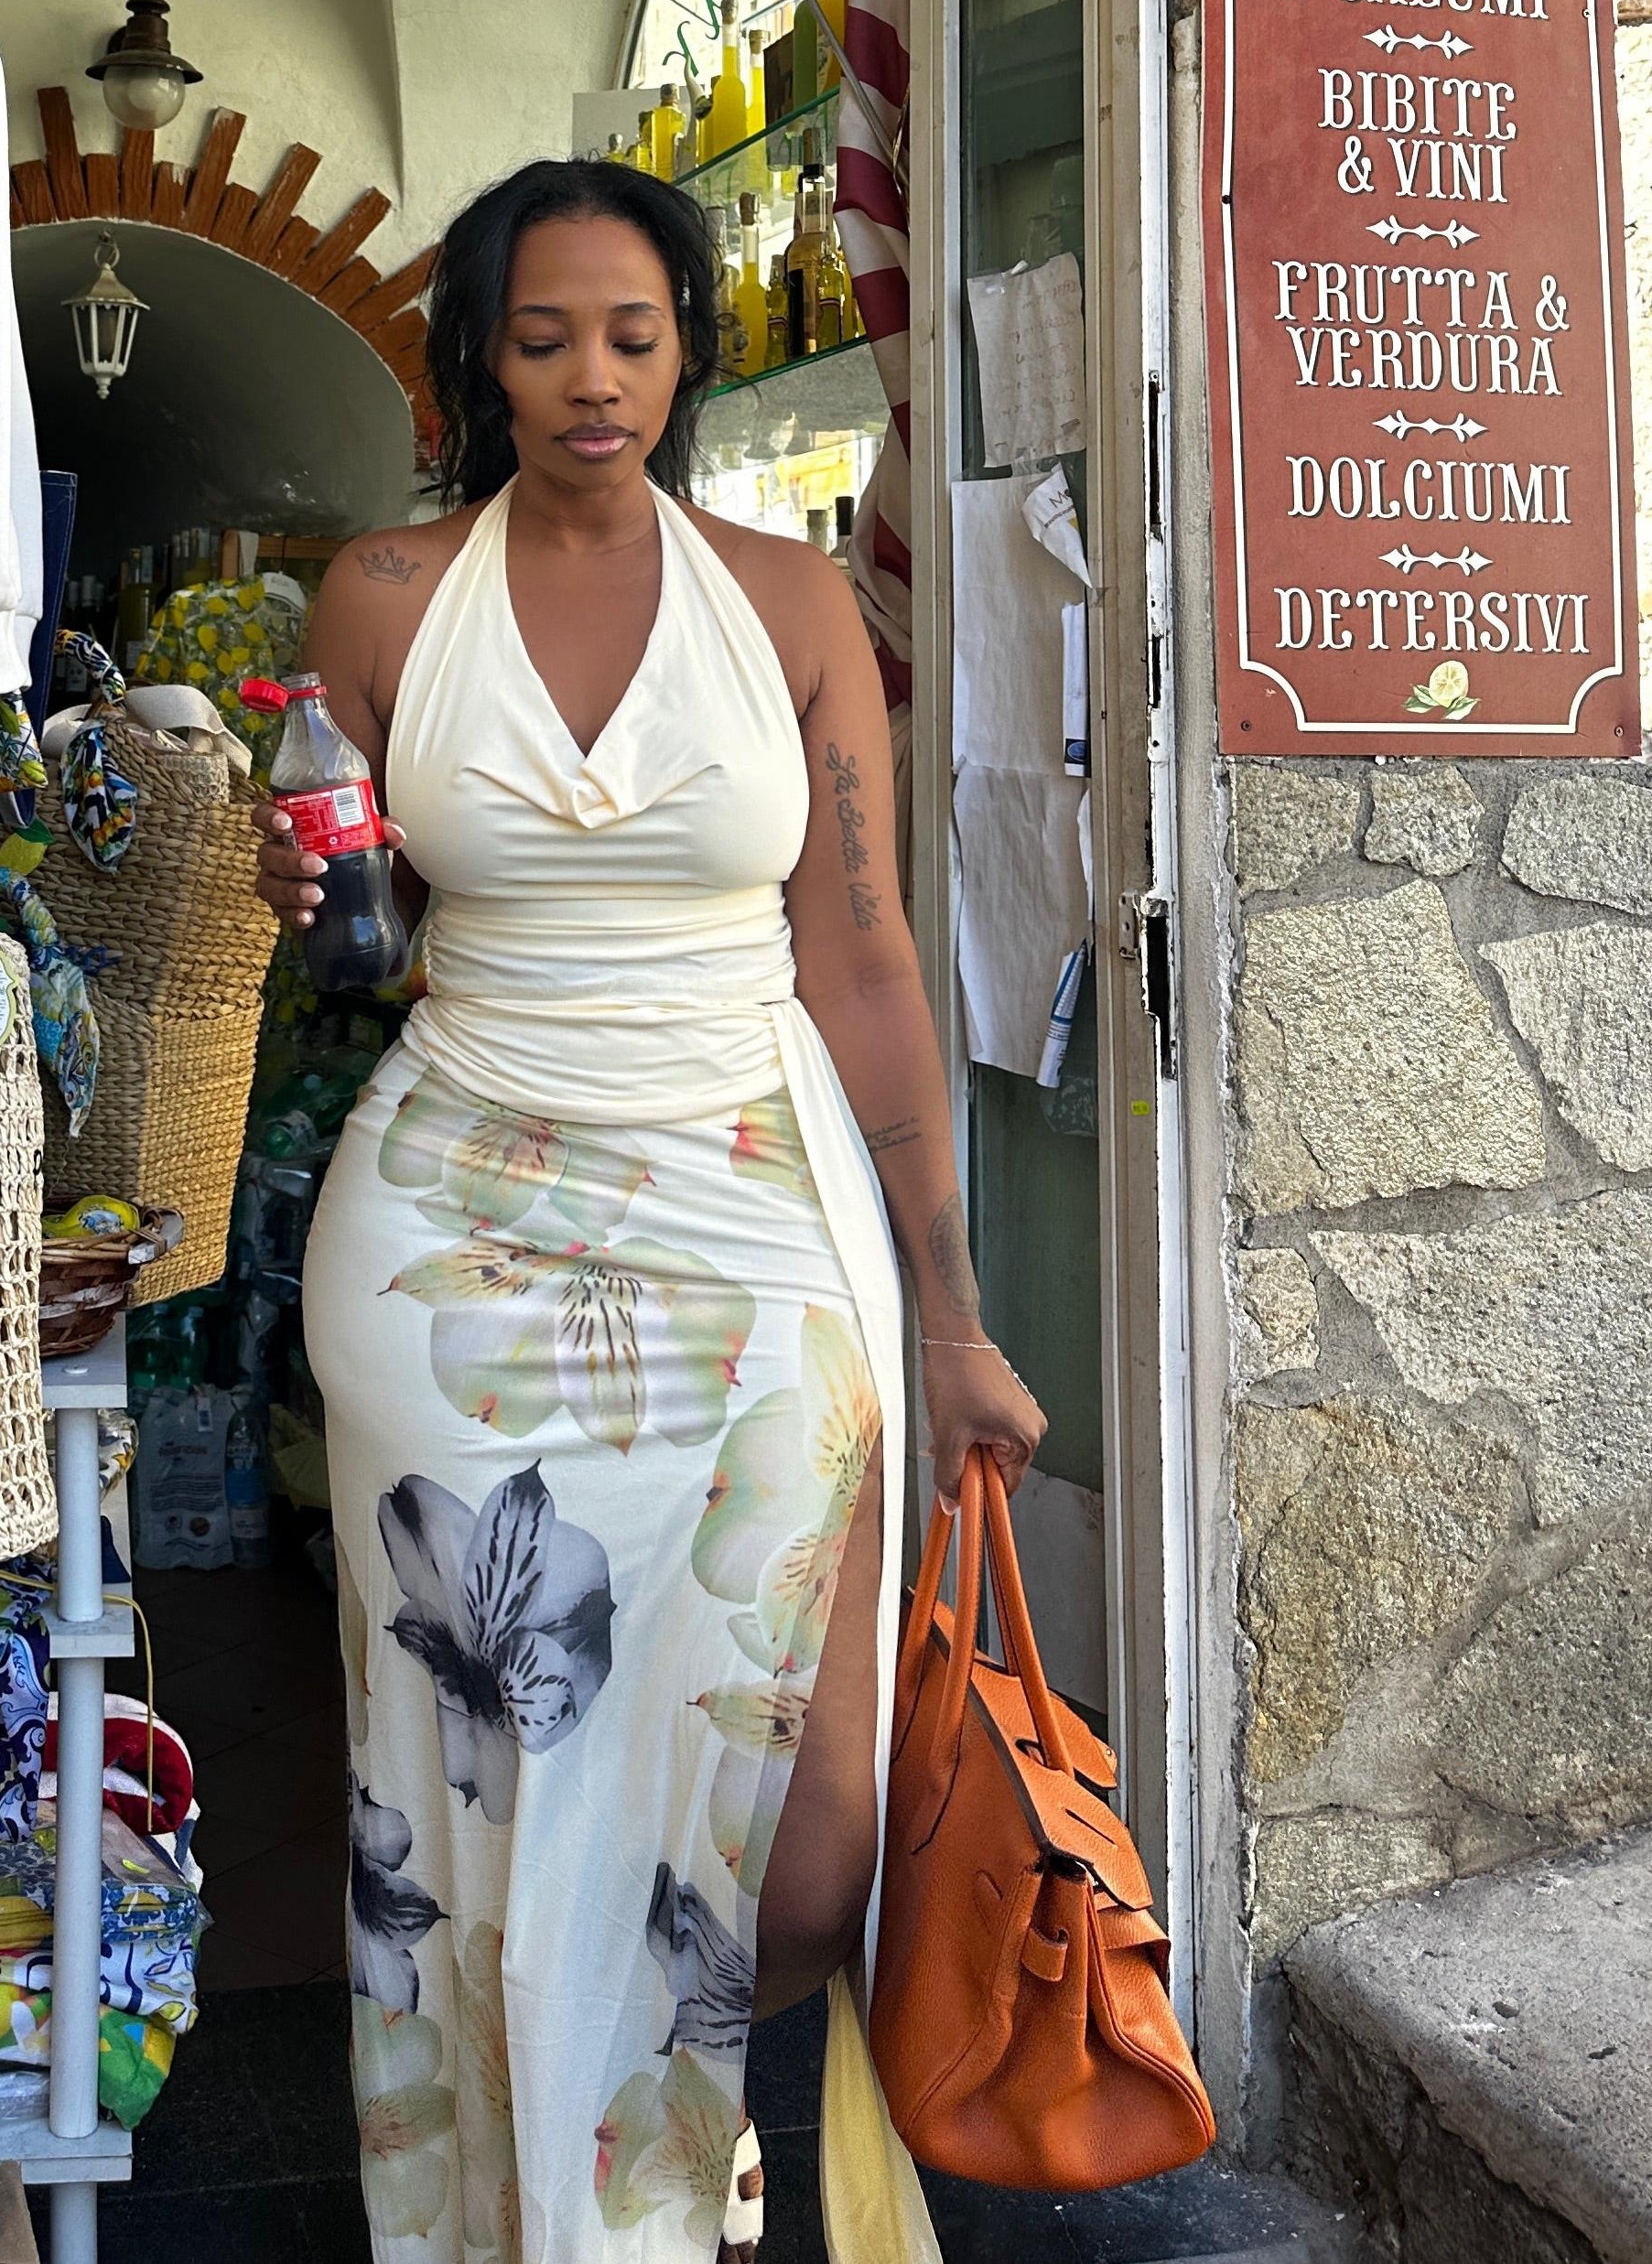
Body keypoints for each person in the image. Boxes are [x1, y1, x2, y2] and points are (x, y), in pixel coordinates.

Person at [265, 158, 1045, 2264]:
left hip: (749, 1209)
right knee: (484, 1794)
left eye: (631, 334)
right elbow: (350, 929)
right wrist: (298, 888)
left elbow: (868, 961)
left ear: (690, 348)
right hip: (453, 1240)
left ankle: (661, 2133)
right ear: (480, 360)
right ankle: (565, 2208)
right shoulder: (385, 600)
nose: (590, 379)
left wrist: (951, 1316)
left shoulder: (790, 610)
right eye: (542, 338)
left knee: (810, 1839)